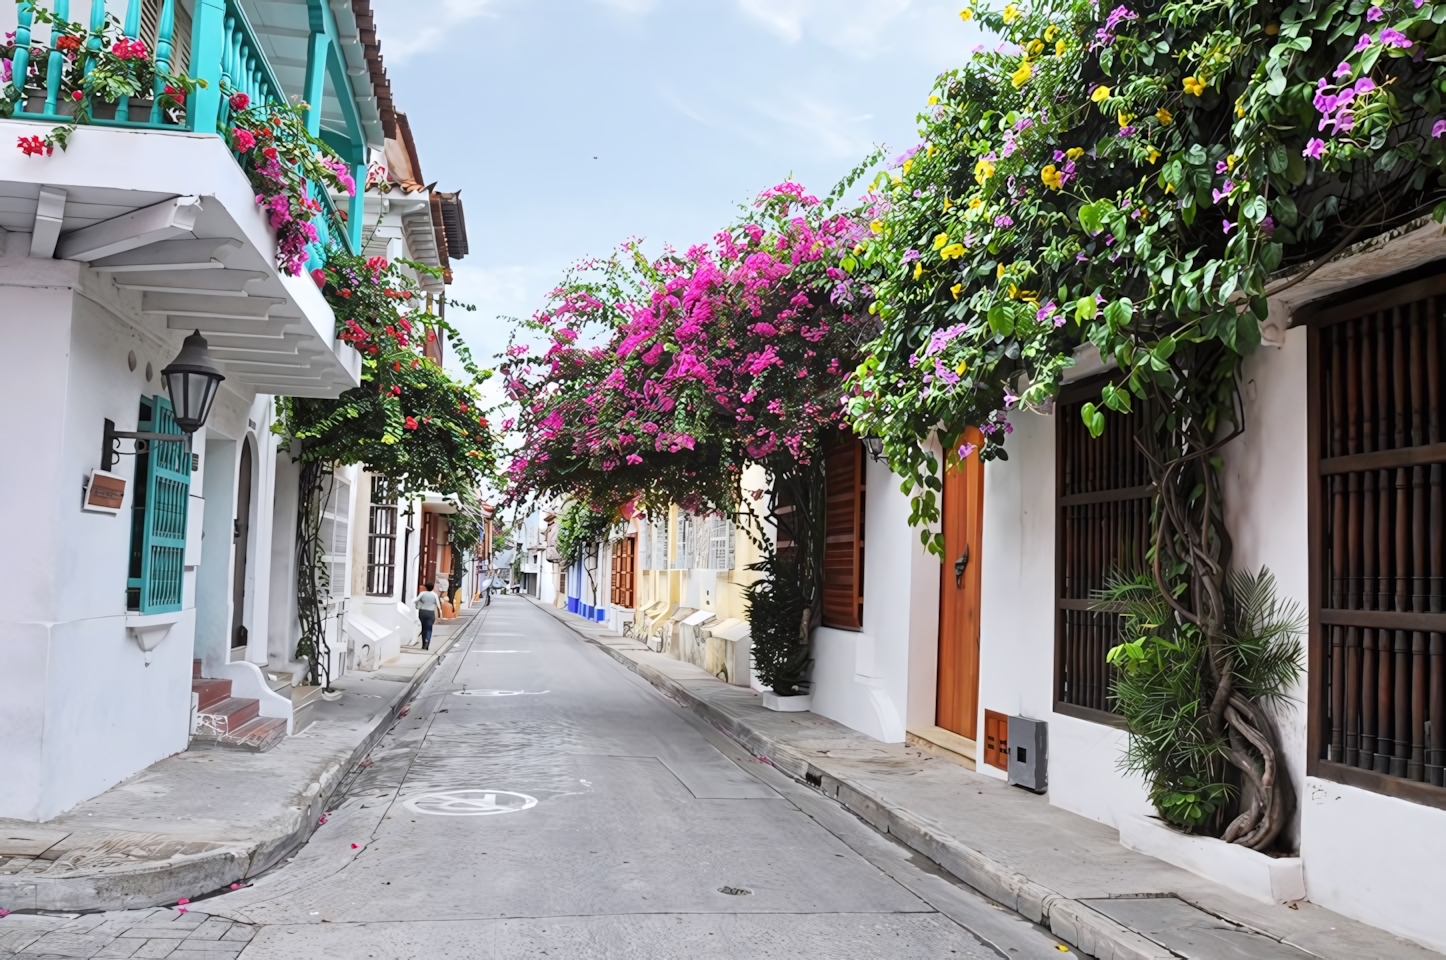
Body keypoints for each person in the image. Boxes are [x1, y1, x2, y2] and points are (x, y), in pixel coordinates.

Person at [415, 581, 440, 651]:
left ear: (425, 587)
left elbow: (416, 601)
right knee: (429, 628)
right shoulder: (434, 595)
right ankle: (427, 641)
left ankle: (423, 644)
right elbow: (438, 604)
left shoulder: (422, 594)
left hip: (422, 611)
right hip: (430, 612)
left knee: (423, 627)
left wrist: (418, 605)